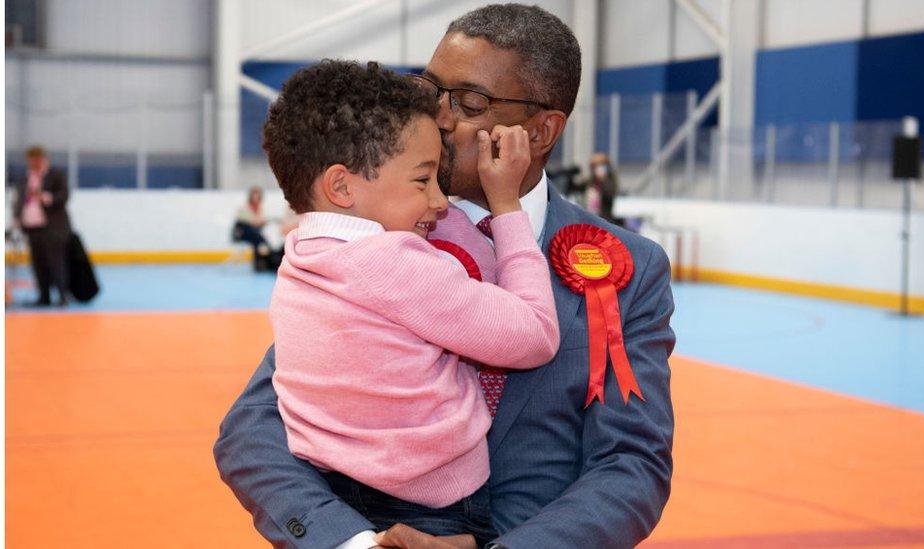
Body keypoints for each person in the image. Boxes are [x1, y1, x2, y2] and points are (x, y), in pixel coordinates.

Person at [215, 4, 676, 549]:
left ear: (542, 129)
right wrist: (356, 542)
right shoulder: (380, 230)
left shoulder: (627, 267)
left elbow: (630, 464)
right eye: (432, 91)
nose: (440, 117)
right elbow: (255, 427)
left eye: (470, 103)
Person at [264, 60, 559, 546]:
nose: (440, 202)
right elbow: (534, 335)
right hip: (433, 508)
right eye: (423, 181)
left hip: (333, 491)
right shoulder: (391, 260)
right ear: (341, 187)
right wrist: (506, 206)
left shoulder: (302, 255)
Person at [12, 146, 72, 307]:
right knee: (38, 263)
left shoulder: (55, 175)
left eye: (37, 160)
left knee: (56, 262)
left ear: (44, 159)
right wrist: (17, 218)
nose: (34, 163)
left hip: (53, 227)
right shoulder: (25, 178)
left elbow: (64, 195)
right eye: (31, 160)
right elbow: (20, 200)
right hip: (32, 227)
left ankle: (62, 295)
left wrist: (46, 197)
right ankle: (43, 296)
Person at [232, 185, 274, 271]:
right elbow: (248, 221)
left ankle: (259, 264)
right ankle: (268, 257)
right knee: (257, 237)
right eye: (254, 194)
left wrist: (260, 222)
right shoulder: (244, 207)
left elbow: (258, 223)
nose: (255, 197)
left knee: (256, 240)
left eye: (257, 194)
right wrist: (257, 222)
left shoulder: (260, 208)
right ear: (251, 196)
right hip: (241, 233)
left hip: (253, 234)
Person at [584, 152, 622, 225]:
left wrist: (603, 180)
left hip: (603, 221)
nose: (598, 169)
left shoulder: (609, 181)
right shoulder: (590, 182)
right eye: (595, 166)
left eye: (601, 165)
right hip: (589, 220)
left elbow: (610, 194)